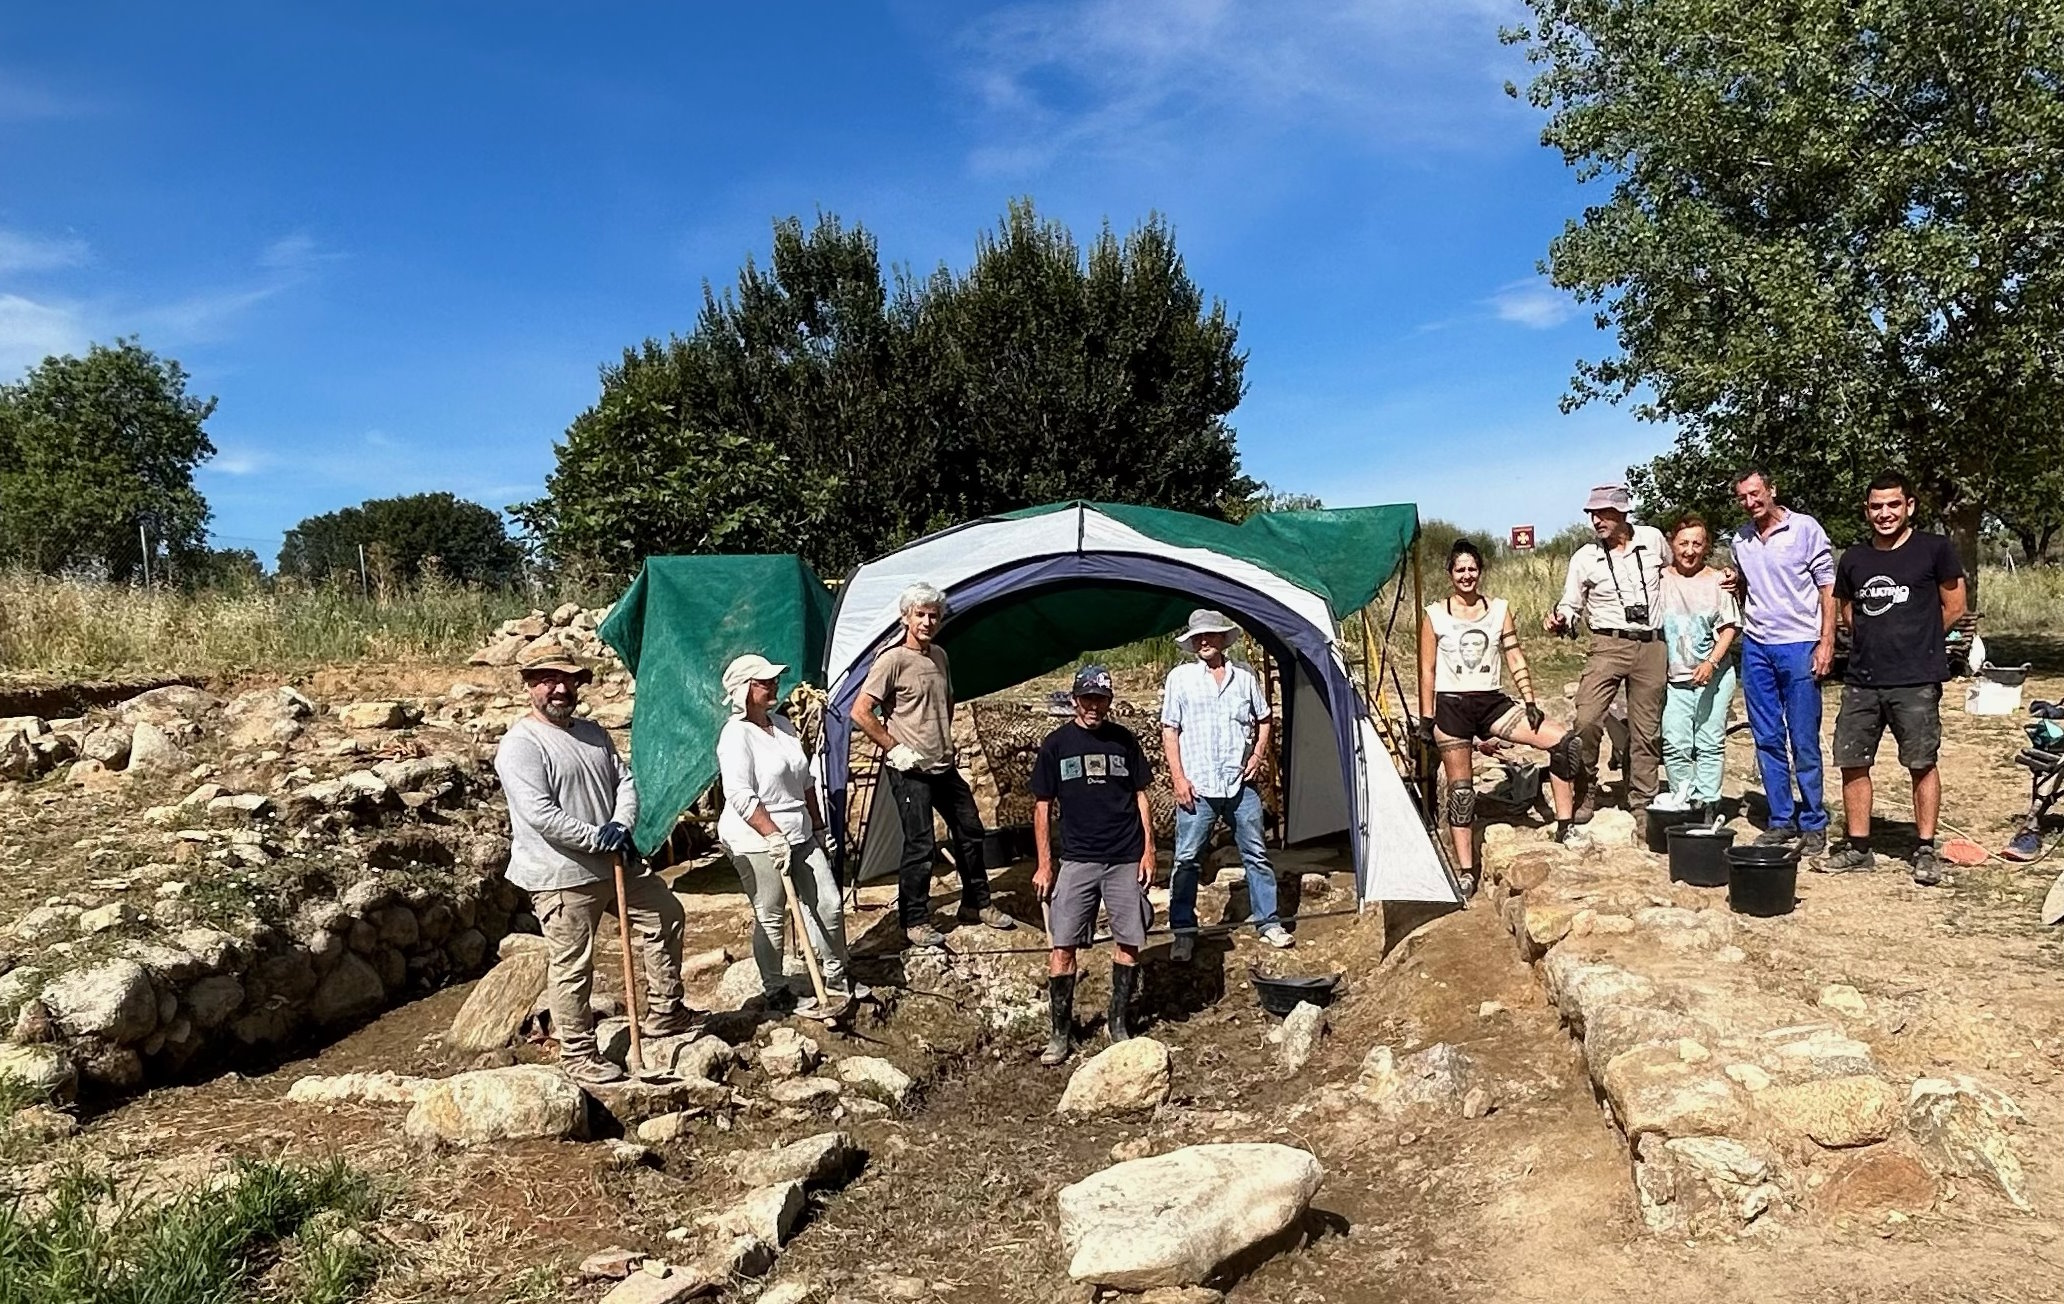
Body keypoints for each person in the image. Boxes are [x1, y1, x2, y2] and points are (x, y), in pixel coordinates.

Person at [494, 640, 692, 1085]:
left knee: (665, 914)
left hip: (615, 861)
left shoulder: (594, 733)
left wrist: (621, 826)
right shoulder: (520, 745)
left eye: (567, 679)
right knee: (573, 964)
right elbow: (541, 814)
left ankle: (665, 1010)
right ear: (530, 686)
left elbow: (625, 782)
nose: (559, 688)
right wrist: (596, 838)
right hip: (560, 873)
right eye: (548, 680)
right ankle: (578, 1053)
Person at [851, 582, 1017, 950]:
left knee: (970, 829)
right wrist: (895, 748)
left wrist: (942, 740)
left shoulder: (939, 656)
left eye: (933, 615)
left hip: (942, 764)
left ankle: (976, 903)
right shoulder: (892, 660)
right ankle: (915, 920)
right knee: (920, 844)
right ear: (906, 617)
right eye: (920, 615)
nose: (927, 621)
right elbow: (860, 712)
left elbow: (947, 701)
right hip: (910, 768)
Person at [1820, 473, 1968, 884]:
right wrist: (1871, 637)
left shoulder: (1934, 550)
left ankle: (1924, 848)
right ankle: (1858, 847)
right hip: (1862, 678)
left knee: (1921, 762)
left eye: (1893, 505)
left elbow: (1955, 605)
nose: (1884, 514)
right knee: (1852, 761)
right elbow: (1848, 609)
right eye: (1876, 506)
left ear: (1910, 507)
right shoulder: (1854, 557)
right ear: (1867, 510)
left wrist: (1919, 639)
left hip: (1916, 679)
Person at [1417, 539, 1585, 896]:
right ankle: (1465, 869)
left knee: (1564, 743)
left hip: (1492, 703)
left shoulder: (1498, 609)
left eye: (1472, 569)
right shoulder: (1434, 615)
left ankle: (1565, 825)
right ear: (1450, 574)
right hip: (1452, 706)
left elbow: (1514, 655)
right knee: (1461, 790)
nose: (1467, 575)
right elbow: (1427, 669)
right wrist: (1426, 718)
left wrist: (1530, 700)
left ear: (1480, 571)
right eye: (1460, 569)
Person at [716, 653, 855, 1019]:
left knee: (828, 903)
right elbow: (740, 794)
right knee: (772, 913)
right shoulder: (735, 736)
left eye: (774, 680)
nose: (774, 686)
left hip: (800, 832)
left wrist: (820, 827)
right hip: (755, 836)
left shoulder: (783, 726)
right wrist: (773, 835)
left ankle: (836, 978)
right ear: (745, 690)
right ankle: (776, 990)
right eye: (764, 682)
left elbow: (805, 780)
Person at [1030, 665, 1156, 1066]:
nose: (1094, 707)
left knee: (1130, 941)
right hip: (1077, 859)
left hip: (1123, 857)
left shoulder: (1124, 741)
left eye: (1101, 699)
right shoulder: (1056, 745)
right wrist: (1045, 864)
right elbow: (1042, 807)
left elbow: (1141, 797)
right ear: (1074, 701)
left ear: (1109, 703)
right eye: (1087, 699)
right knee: (1062, 944)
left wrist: (1149, 850)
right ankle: (1059, 1035)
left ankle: (1118, 1023)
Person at [1161, 608, 1289, 956]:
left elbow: (1264, 718)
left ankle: (1269, 922)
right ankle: (1184, 930)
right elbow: (1170, 729)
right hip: (1198, 785)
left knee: (1257, 855)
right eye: (1198, 637)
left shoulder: (1244, 676)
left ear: (1222, 639)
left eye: (1210, 635)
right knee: (1186, 859)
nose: (1204, 641)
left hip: (1238, 782)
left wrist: (1259, 753)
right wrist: (1178, 778)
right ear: (1192, 643)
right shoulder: (1180, 679)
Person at [1724, 468, 1837, 856]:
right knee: (1767, 737)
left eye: (1755, 494)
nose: (1750, 502)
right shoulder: (1740, 539)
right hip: (1757, 646)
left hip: (1800, 644)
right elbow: (1747, 585)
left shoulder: (1805, 529)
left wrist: (1826, 642)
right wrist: (1733, 582)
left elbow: (1828, 587)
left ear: (1772, 490)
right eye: (1742, 497)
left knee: (1803, 737)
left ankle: (1813, 821)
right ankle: (1780, 819)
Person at [1544, 484, 1669, 831]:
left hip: (1652, 644)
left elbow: (1674, 574)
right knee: (1586, 719)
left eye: (1602, 514)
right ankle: (1585, 791)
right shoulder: (1585, 557)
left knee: (1646, 730)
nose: (1595, 521)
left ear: (1622, 513)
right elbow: (1570, 603)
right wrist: (1561, 618)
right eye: (1591, 514)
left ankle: (1642, 801)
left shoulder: (1653, 540)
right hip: (1607, 643)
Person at [1656, 516, 1742, 819]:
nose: (1689, 550)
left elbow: (1730, 628)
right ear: (1672, 544)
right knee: (1675, 743)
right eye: (1683, 543)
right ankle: (1684, 798)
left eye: (1697, 543)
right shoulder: (1660, 579)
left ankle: (1708, 802)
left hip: (1713, 677)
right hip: (1674, 679)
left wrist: (1711, 662)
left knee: (1709, 742)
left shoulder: (1718, 580)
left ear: (1705, 546)